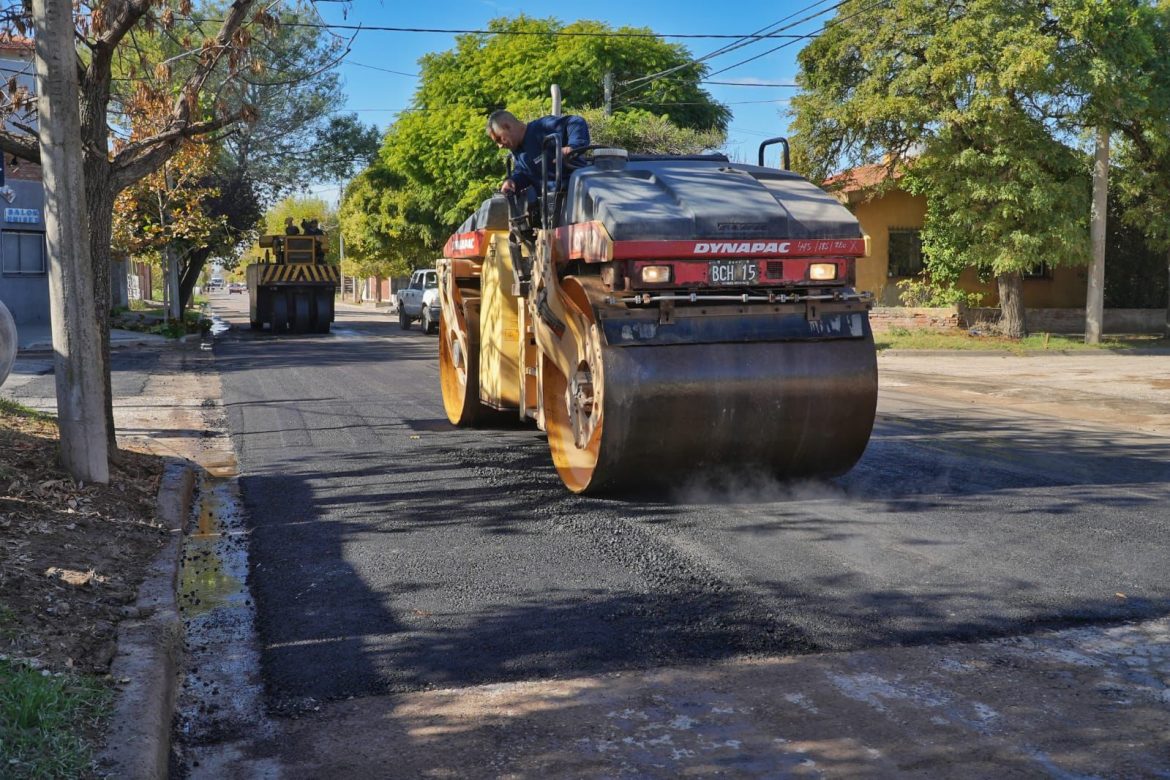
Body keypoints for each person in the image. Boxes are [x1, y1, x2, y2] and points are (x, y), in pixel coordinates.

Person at [486, 110, 589, 196]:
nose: (500, 146)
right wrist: (512, 181)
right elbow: (523, 174)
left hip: (578, 190)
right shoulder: (518, 152)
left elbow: (576, 122)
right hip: (552, 205)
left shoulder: (541, 127)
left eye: (499, 139)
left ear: (507, 126)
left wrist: (572, 146)